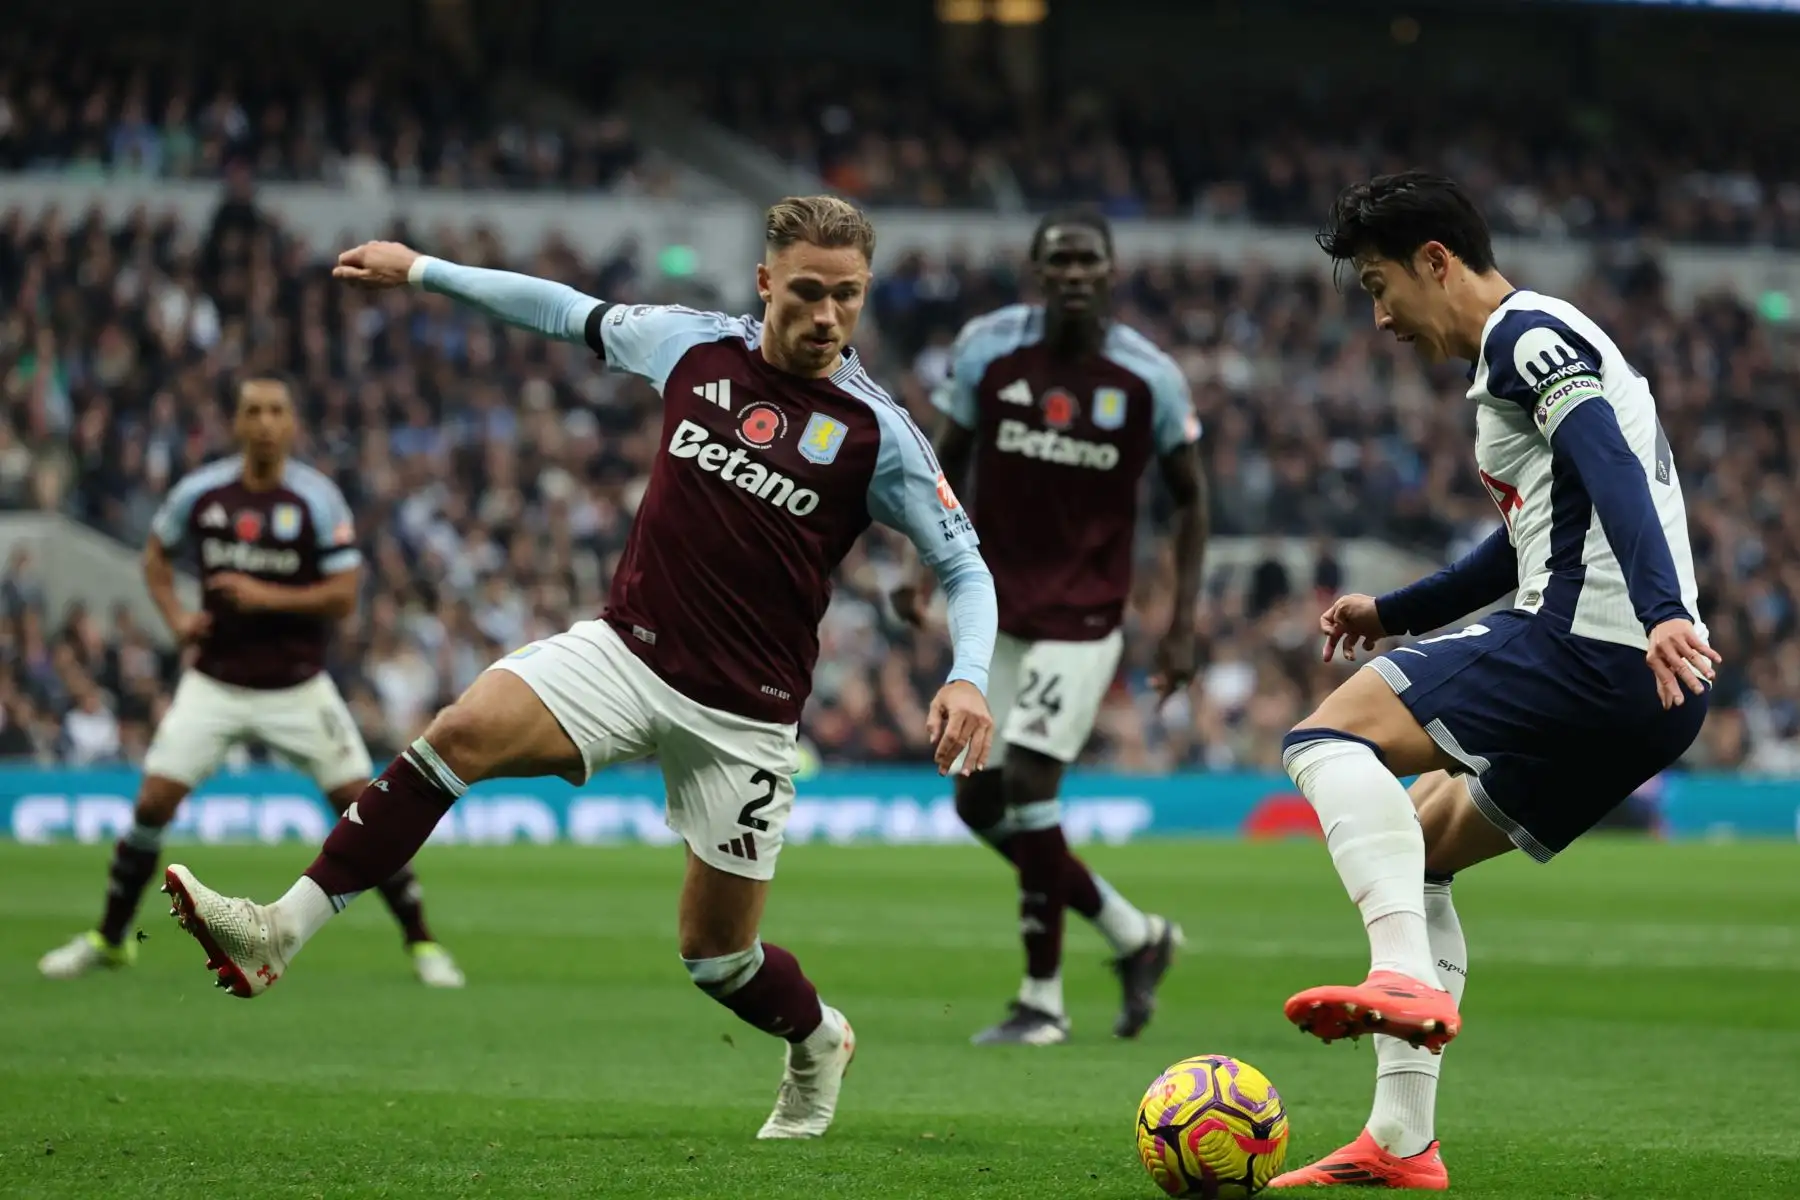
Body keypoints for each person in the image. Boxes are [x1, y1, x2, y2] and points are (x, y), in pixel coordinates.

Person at [162, 196, 998, 1141]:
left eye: (846, 297)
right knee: (459, 734)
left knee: (717, 959)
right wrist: (424, 269)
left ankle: (818, 1040)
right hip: (625, 651)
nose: (826, 317)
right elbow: (560, 309)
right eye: (806, 292)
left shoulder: (875, 432)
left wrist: (968, 674)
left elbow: (964, 563)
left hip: (747, 717)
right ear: (765, 281)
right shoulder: (689, 346)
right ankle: (277, 933)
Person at [1269, 172, 1718, 1189]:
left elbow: (1604, 463)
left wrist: (1660, 612)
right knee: (1421, 848)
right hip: (1652, 700)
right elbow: (1530, 536)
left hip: (1593, 647)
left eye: (1382, 286)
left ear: (1437, 261)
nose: (1380, 318)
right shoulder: (1528, 353)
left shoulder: (1526, 333)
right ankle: (1400, 1141)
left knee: (1324, 740)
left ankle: (1397, 974)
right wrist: (1396, 612)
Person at [891, 210, 1207, 1045]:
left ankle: (1042, 1002)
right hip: (994, 607)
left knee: (1030, 784)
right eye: (1058, 260)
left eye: (1087, 261)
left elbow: (1191, 498)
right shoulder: (989, 349)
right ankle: (1138, 936)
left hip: (1085, 616)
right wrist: (918, 567)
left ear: (1110, 271)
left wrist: (1179, 627)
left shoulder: (1150, 378)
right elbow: (944, 463)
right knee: (974, 800)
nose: (1073, 273)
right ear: (1036, 269)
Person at [38, 378, 463, 989]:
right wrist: (179, 620)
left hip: (298, 686)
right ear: (236, 425)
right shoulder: (202, 493)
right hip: (215, 683)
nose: (264, 422)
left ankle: (423, 943)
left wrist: (261, 594)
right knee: (153, 802)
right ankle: (109, 939)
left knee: (365, 805)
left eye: (276, 412)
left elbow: (344, 595)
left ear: (292, 425)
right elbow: (155, 558)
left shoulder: (316, 499)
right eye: (253, 412)